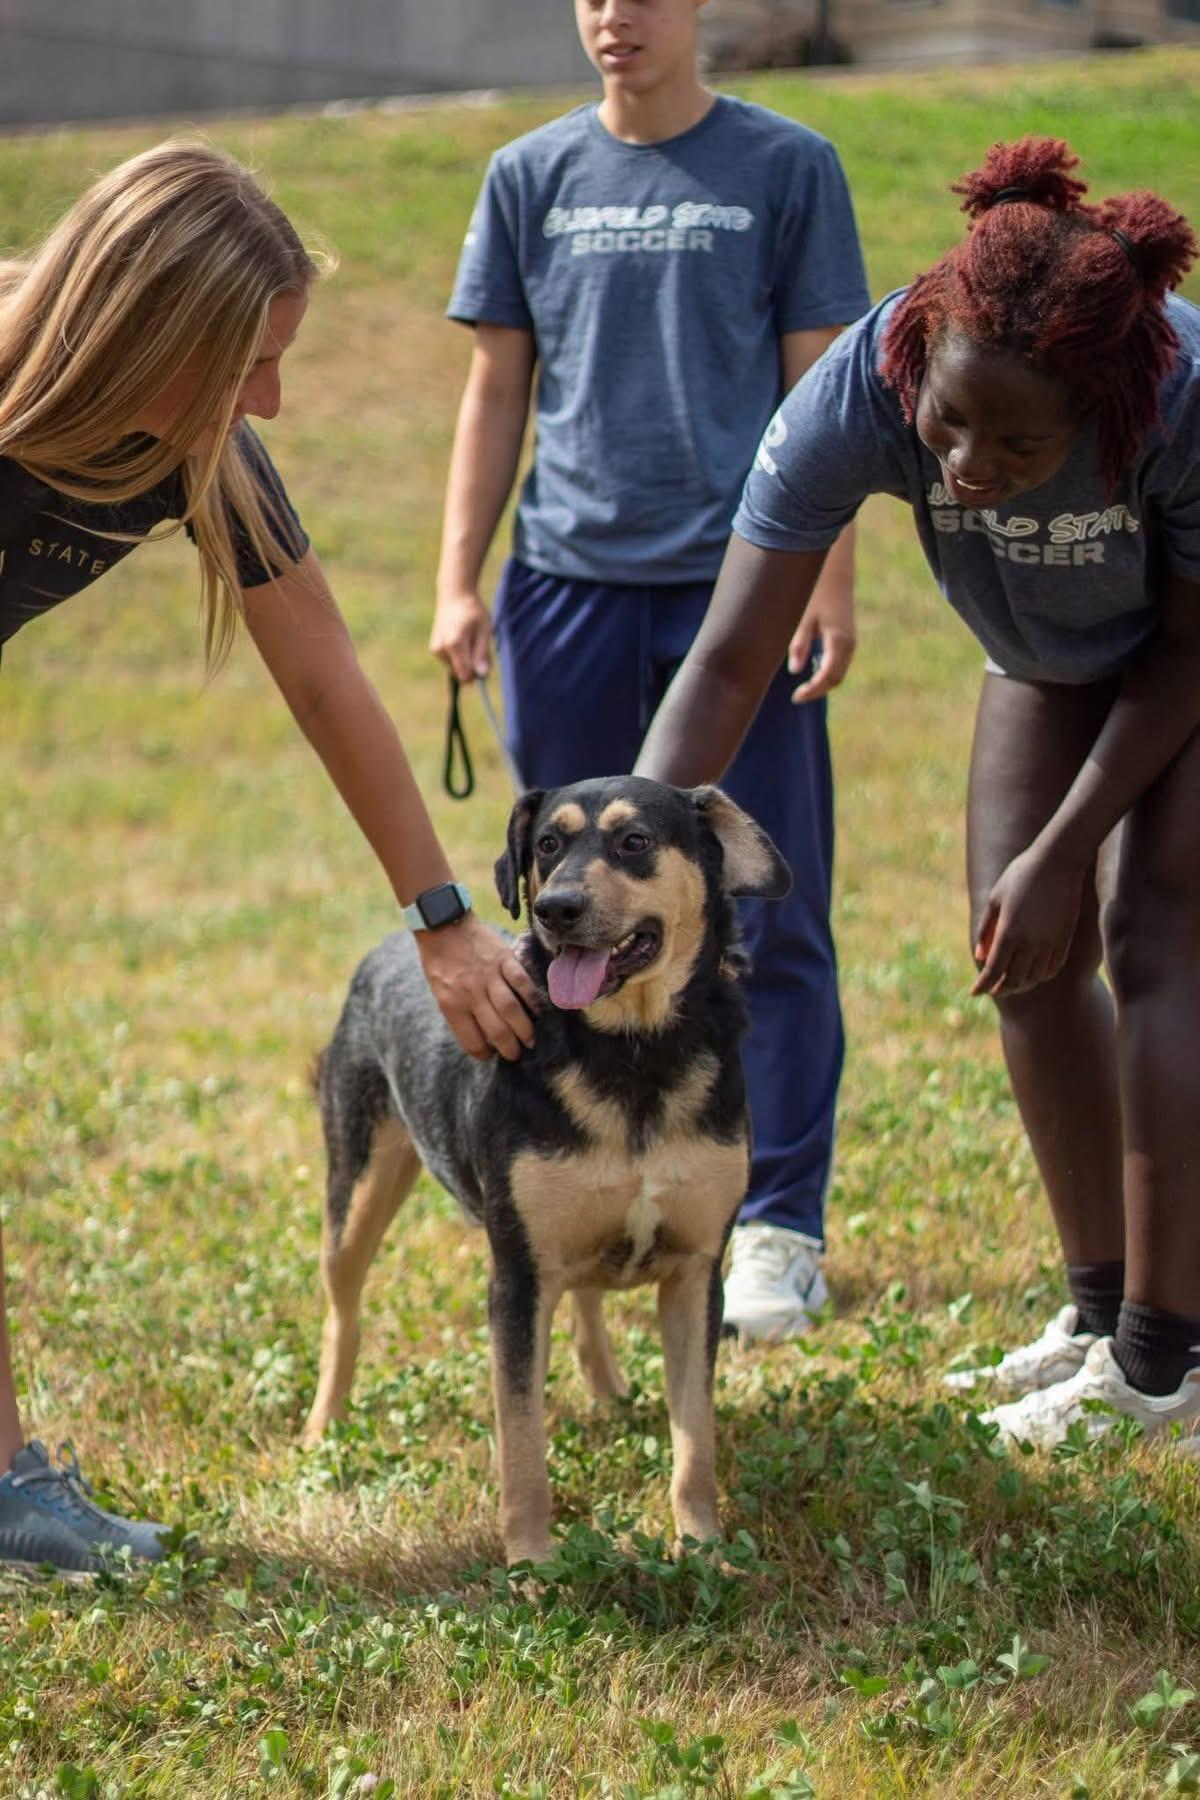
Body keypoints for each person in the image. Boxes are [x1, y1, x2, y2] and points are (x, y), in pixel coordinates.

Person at [0, 141, 540, 1573]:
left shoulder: (206, 458)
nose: (273, 401)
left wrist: (440, 914)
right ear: (144, 334)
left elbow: (325, 677)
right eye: (248, 362)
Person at [635, 134, 1200, 1449]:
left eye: (1019, 441)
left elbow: (1187, 653)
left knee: (1155, 935)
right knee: (1019, 959)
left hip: (1186, 659)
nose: (967, 465)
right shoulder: (866, 384)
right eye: (951, 423)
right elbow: (729, 654)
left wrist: (1069, 846)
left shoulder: (1178, 397)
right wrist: (626, 844)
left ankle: (1167, 1370)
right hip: (1045, 652)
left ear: (1098, 411)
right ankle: (1100, 1312)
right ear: (918, 363)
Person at [430, 0, 870, 1342]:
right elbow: (496, 387)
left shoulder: (788, 166)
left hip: (736, 588)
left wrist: (826, 582)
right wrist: (460, 575)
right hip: (563, 587)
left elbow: (823, 390)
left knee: (759, 909)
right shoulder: (530, 174)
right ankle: (580, 1187)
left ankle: (774, 1226)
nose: (616, 17)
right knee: (569, 907)